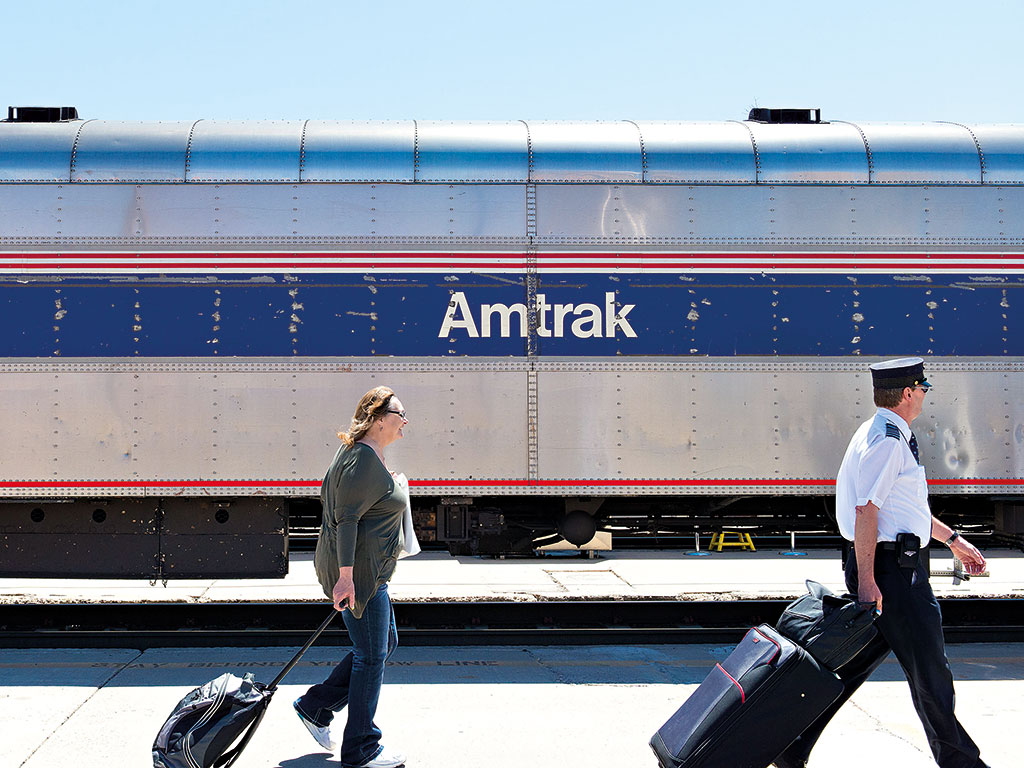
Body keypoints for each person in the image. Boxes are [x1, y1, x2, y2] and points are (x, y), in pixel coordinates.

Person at [774, 358, 989, 768]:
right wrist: (870, 581)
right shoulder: (888, 441)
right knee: (931, 674)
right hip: (892, 575)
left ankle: (791, 747)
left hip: (888, 567)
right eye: (923, 386)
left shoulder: (879, 431)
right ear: (907, 393)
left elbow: (901, 508)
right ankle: (963, 764)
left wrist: (953, 541)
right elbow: (866, 512)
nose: (925, 393)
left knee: (846, 669)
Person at [293, 385, 410, 768]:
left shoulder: (362, 455)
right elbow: (346, 521)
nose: (404, 423)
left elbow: (358, 503)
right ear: (378, 420)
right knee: (371, 656)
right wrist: (346, 578)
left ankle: (316, 705)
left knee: (382, 644)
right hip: (359, 573)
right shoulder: (360, 459)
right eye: (399, 416)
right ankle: (361, 747)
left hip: (368, 571)